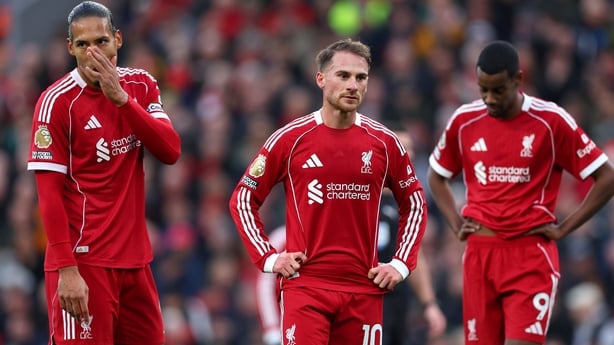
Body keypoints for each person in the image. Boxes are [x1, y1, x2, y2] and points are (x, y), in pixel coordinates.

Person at [229, 38, 428, 345]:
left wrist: (400, 264)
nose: (353, 85)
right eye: (343, 75)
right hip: (306, 287)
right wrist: (269, 259)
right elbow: (244, 198)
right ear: (321, 79)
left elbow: (414, 203)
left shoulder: (385, 143)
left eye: (361, 78)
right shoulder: (290, 139)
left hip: (364, 291)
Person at [427, 40, 614, 345]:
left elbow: (606, 177)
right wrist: (455, 222)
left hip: (529, 256)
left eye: (498, 90)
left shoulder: (551, 120)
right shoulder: (464, 120)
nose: (489, 98)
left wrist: (565, 227)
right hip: (479, 256)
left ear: (518, 80)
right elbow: (436, 175)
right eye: (482, 89)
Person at [27, 1, 181, 344]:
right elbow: (48, 195)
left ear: (119, 40)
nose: (93, 52)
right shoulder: (56, 102)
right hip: (83, 264)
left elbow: (170, 151)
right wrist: (67, 270)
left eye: (101, 42)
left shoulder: (140, 85)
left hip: (135, 263)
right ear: (70, 48)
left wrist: (122, 100)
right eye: (82, 45)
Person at [254, 133, 446, 345]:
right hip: (350, 297)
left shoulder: (401, 208)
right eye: (401, 148)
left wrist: (429, 304)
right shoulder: (353, 197)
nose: (405, 154)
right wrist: (272, 329)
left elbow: (414, 255)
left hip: (391, 302)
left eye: (410, 150)